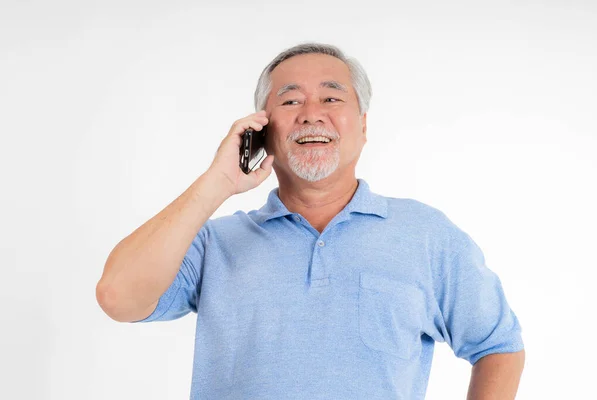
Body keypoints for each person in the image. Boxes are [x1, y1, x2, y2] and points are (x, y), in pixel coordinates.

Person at [96, 42, 525, 399]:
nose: (311, 112)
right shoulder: (215, 243)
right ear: (261, 129)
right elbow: (117, 296)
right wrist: (215, 184)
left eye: (332, 97)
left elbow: (498, 347)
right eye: (290, 100)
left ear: (362, 125)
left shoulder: (427, 235)